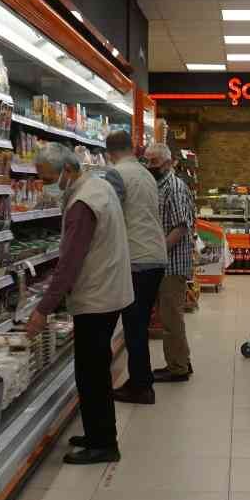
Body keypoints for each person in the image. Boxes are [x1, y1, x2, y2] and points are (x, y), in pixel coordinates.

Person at [31, 142, 133, 464]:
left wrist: (43, 309)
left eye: (48, 178)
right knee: (94, 369)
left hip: (96, 297)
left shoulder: (82, 203)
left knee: (92, 373)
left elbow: (69, 263)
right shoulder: (98, 186)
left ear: (68, 170)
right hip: (108, 291)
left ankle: (103, 444)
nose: (45, 185)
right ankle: (96, 433)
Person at [105, 131, 166, 405]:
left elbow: (111, 216)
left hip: (136, 259)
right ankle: (141, 381)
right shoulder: (146, 174)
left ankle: (141, 387)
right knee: (138, 325)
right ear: (132, 148)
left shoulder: (116, 174)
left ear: (109, 153)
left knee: (134, 328)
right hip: (155, 255)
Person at [146, 143, 195, 382]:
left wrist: (159, 251)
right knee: (170, 316)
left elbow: (180, 227)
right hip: (166, 263)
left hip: (172, 264)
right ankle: (182, 360)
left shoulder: (174, 188)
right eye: (147, 161)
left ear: (167, 163)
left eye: (154, 162)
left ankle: (177, 368)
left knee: (171, 317)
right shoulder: (161, 185)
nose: (149, 166)